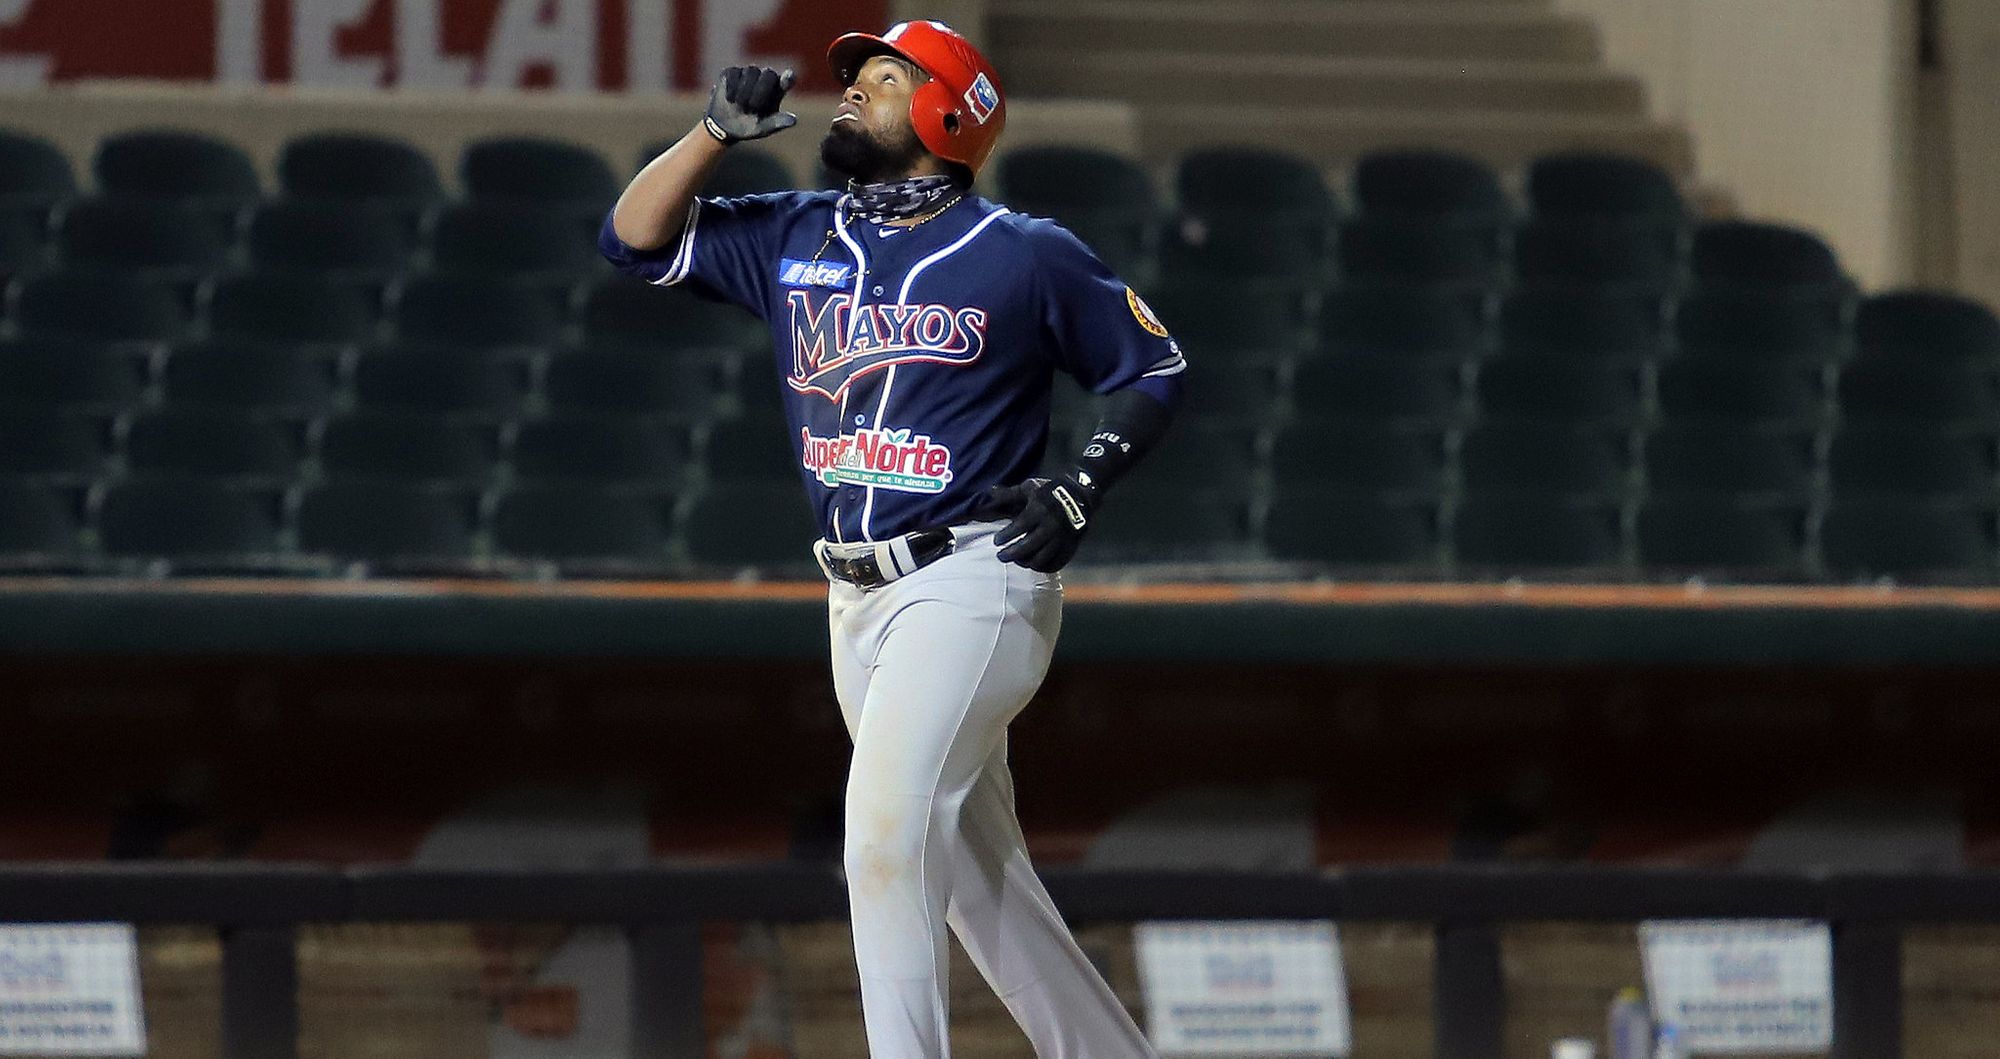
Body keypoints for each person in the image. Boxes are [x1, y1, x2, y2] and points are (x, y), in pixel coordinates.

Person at [600, 20, 1182, 1057]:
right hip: (855, 599)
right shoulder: (796, 232)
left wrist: (1084, 488)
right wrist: (707, 134)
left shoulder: (1023, 253)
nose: (852, 92)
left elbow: (1152, 367)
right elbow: (631, 239)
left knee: (879, 834)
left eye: (883, 78)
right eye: (856, 78)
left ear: (948, 113)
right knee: (974, 881)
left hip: (968, 581)